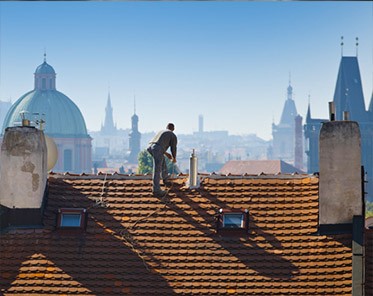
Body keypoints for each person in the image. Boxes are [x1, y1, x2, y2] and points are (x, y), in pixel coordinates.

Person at [147, 123, 177, 196]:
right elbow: (173, 148)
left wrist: (166, 154)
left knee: (162, 161)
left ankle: (165, 179)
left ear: (166, 127)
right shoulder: (172, 135)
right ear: (173, 129)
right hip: (157, 149)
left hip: (150, 147)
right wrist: (174, 158)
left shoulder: (161, 132)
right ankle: (156, 190)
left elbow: (157, 145)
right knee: (157, 168)